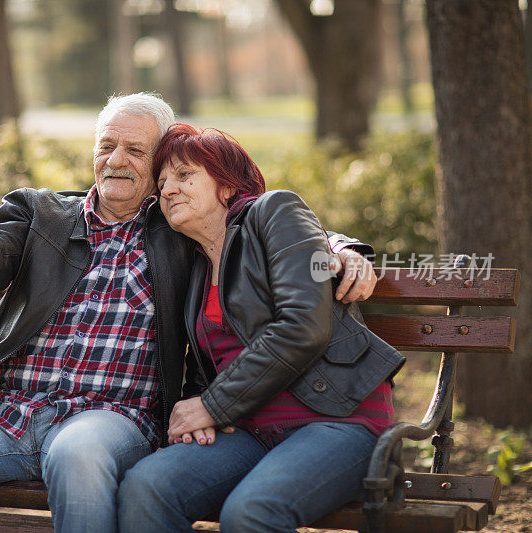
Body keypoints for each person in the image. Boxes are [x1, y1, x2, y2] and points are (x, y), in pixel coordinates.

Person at [0, 94, 376, 533]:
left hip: (111, 418)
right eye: (106, 145)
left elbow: (257, 215)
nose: (117, 159)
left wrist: (342, 248)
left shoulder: (176, 225)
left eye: (135, 149)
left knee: (79, 454)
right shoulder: (40, 214)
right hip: (8, 413)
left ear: (161, 162)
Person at [117, 124, 406, 533]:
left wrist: (211, 406)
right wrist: (198, 413)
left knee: (251, 511)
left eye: (185, 175)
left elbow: (302, 325)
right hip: (250, 430)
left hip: (336, 420)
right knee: (146, 487)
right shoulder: (197, 266)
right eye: (162, 183)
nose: (167, 190)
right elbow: (208, 370)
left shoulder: (274, 212)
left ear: (228, 185)